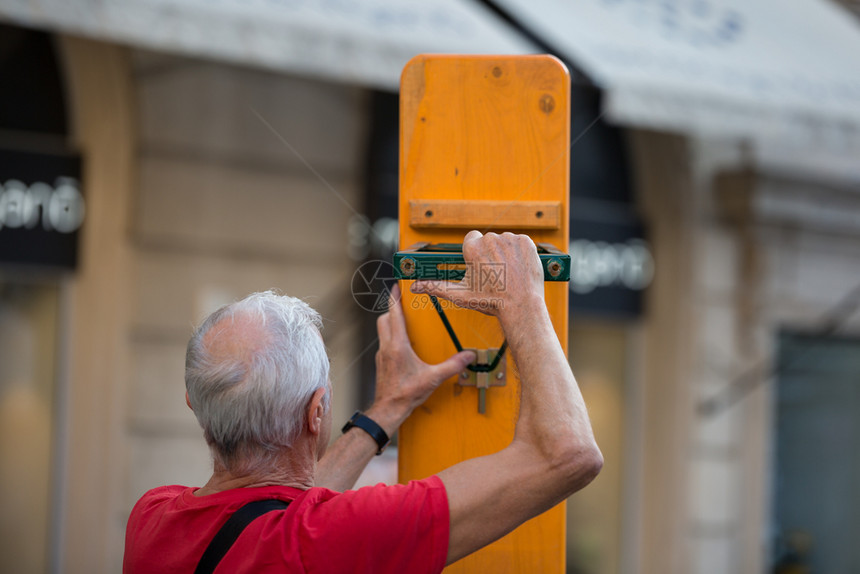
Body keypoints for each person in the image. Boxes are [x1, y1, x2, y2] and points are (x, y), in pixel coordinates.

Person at [123, 230, 602, 573]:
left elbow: (284, 520)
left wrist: (388, 408)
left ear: (193, 402)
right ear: (316, 413)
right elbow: (568, 455)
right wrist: (523, 304)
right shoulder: (330, 538)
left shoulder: (152, 519)